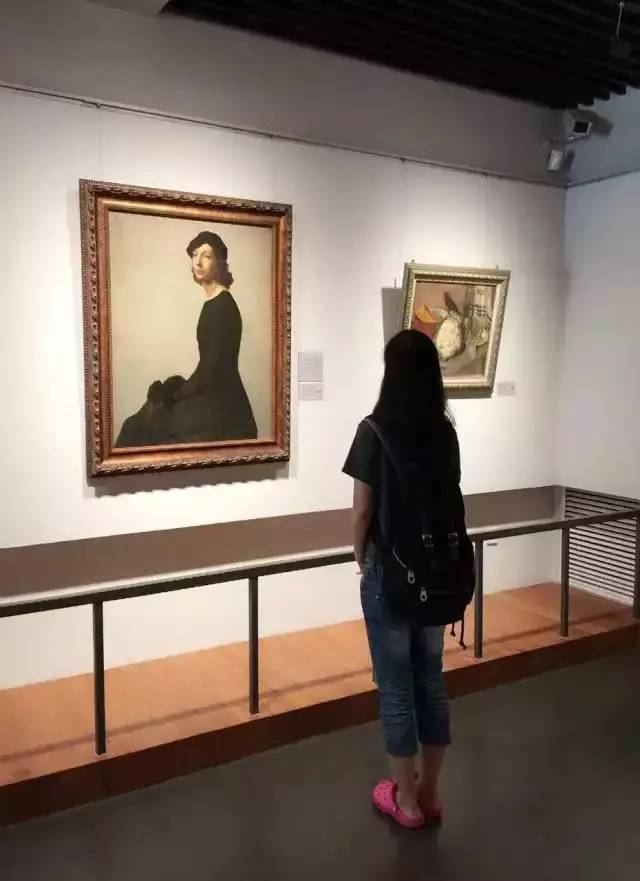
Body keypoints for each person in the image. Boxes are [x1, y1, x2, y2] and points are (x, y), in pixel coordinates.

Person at [343, 329, 467, 830]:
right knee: (431, 680)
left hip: (390, 574)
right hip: (435, 574)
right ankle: (430, 792)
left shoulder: (373, 431)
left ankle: (406, 801)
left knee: (395, 686)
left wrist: (360, 557)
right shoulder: (444, 432)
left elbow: (362, 512)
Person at [116, 231, 257, 447]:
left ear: (219, 263)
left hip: (222, 407)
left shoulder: (222, 306)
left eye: (206, 256)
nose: (198, 262)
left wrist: (175, 394)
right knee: (139, 422)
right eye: (194, 255)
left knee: (139, 426)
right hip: (211, 396)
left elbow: (211, 370)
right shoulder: (214, 302)